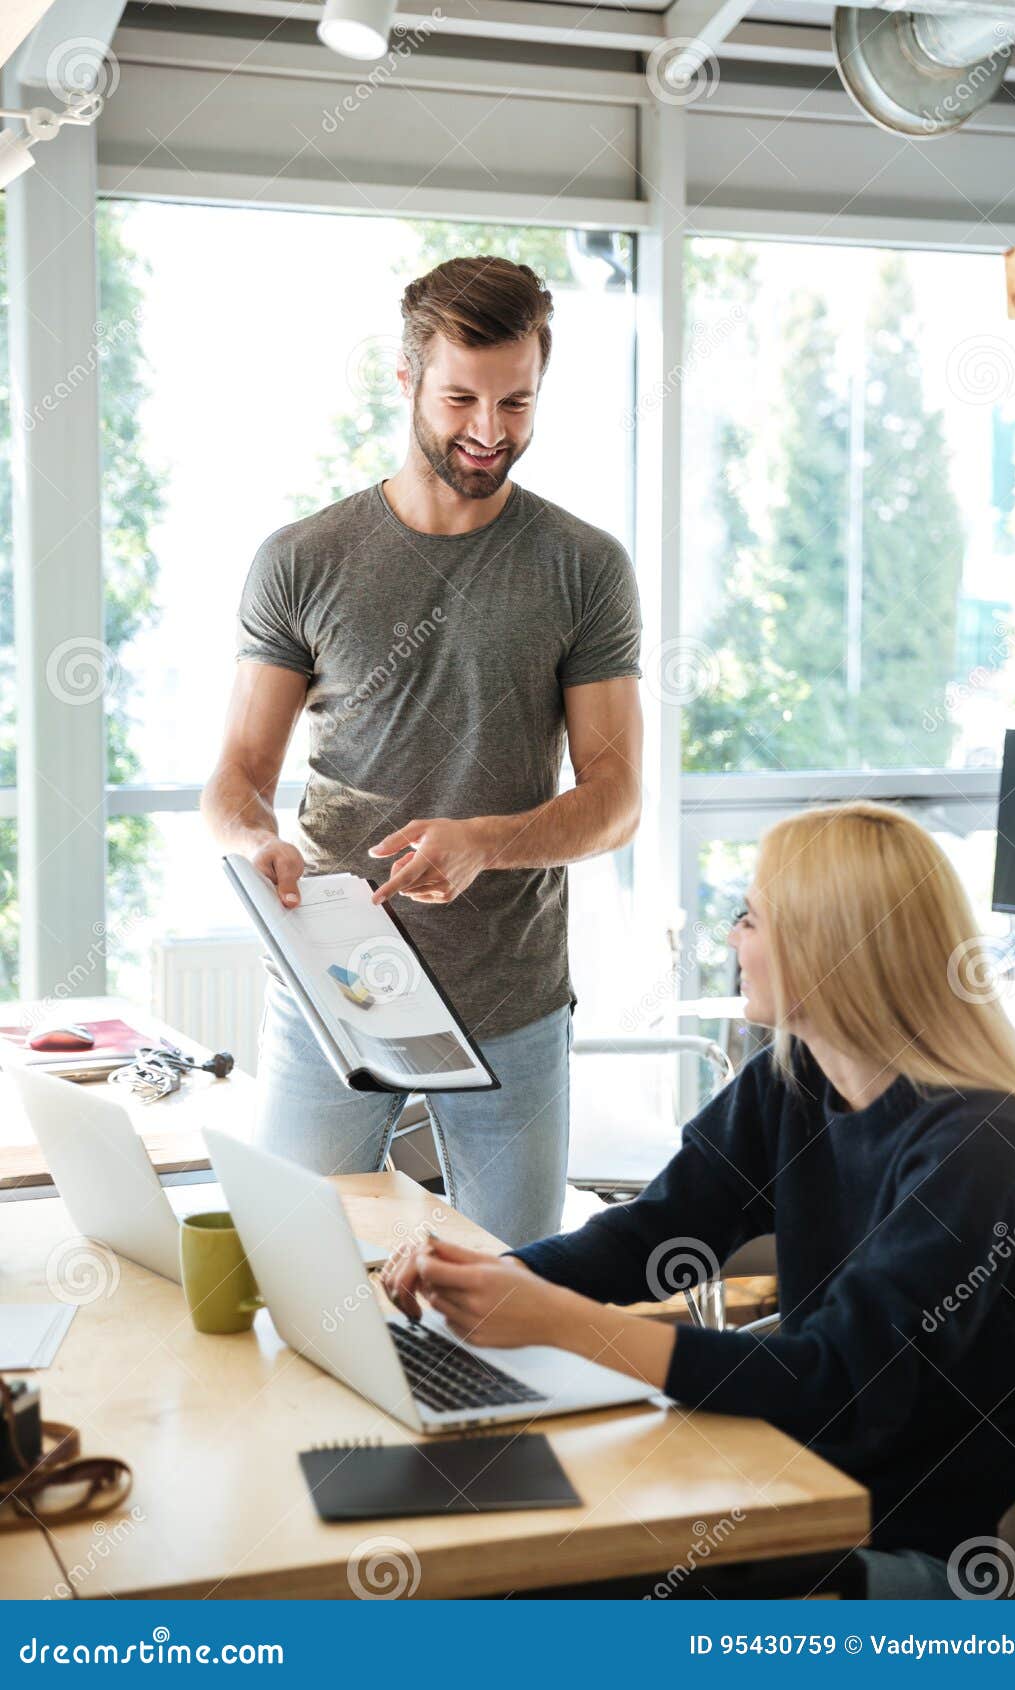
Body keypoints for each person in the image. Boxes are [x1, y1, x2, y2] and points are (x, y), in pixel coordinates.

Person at [382, 802, 1015, 1600]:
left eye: (750, 917)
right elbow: (654, 1235)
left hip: (919, 1541)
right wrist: (482, 1276)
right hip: (800, 1475)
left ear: (833, 944)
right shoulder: (794, 1079)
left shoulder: (978, 1145)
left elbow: (837, 1387)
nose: (732, 940)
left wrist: (560, 1323)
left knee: (532, 1583)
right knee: (490, 1548)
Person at [202, 255, 642, 1247]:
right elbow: (234, 779)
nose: (488, 431)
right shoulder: (302, 560)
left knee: (512, 1301)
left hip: (511, 998)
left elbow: (615, 798)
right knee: (299, 1265)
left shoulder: (584, 568)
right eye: (460, 399)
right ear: (405, 382)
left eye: (515, 402)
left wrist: (488, 839)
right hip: (334, 990)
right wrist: (250, 841)